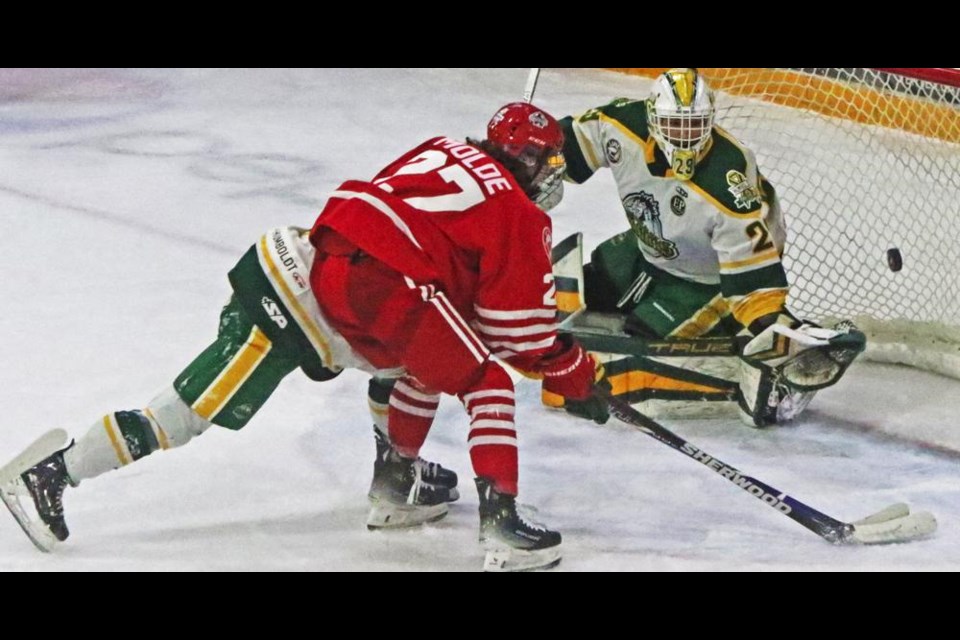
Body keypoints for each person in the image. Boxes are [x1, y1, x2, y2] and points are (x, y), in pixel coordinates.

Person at [0, 102, 605, 572]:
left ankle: (398, 482)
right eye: (548, 163)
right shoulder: (521, 214)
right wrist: (572, 371)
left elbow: (426, 240)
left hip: (327, 255)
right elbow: (520, 335)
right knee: (183, 415)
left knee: (416, 360)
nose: (554, 176)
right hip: (307, 301)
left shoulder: (445, 147)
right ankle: (53, 473)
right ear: (525, 159)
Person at [550, 68, 863, 427]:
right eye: (674, 126)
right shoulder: (621, 124)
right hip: (653, 247)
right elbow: (559, 147)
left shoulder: (727, 181)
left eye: (695, 126)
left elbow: (752, 278)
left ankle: (764, 347)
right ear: (652, 118)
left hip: (708, 275)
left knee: (644, 341)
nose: (684, 138)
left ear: (710, 121)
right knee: (587, 289)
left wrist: (769, 322)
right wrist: (522, 164)